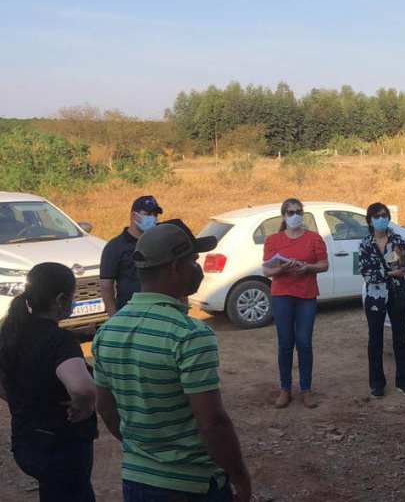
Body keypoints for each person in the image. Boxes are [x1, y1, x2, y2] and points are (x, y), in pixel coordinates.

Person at [93, 220, 251, 502]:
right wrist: (240, 478)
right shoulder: (189, 334)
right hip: (193, 485)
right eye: (193, 261)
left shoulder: (108, 331)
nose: (197, 269)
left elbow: (106, 408)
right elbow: (213, 425)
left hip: (136, 481)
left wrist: (146, 452)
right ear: (176, 267)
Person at [0, 263, 98, 502]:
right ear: (61, 300)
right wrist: (85, 407)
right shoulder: (59, 340)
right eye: (73, 296)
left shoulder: (11, 333)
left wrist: (21, 399)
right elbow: (81, 388)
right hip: (60, 444)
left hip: (26, 442)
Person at [263, 198, 328, 409]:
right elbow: (267, 271)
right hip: (282, 295)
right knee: (285, 343)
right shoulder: (273, 240)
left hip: (306, 296)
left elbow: (324, 265)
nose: (295, 216)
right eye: (290, 212)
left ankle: (306, 389)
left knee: (304, 343)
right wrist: (281, 269)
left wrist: (307, 268)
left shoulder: (314, 238)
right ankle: (285, 389)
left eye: (299, 212)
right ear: (283, 216)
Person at [359, 202, 405, 398]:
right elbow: (367, 274)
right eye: (377, 216)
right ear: (370, 221)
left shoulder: (397, 240)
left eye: (384, 215)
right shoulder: (365, 244)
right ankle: (377, 384)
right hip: (375, 297)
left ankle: (403, 381)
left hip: (397, 294)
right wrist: (391, 273)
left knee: (400, 339)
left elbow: (403, 268)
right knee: (375, 340)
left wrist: (402, 258)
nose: (381, 219)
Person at [100, 195, 164, 316]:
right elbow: (106, 285)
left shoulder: (159, 242)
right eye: (147, 214)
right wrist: (114, 317)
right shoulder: (115, 246)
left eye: (155, 215)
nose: (152, 218)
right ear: (133, 215)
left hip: (158, 311)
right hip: (130, 313)